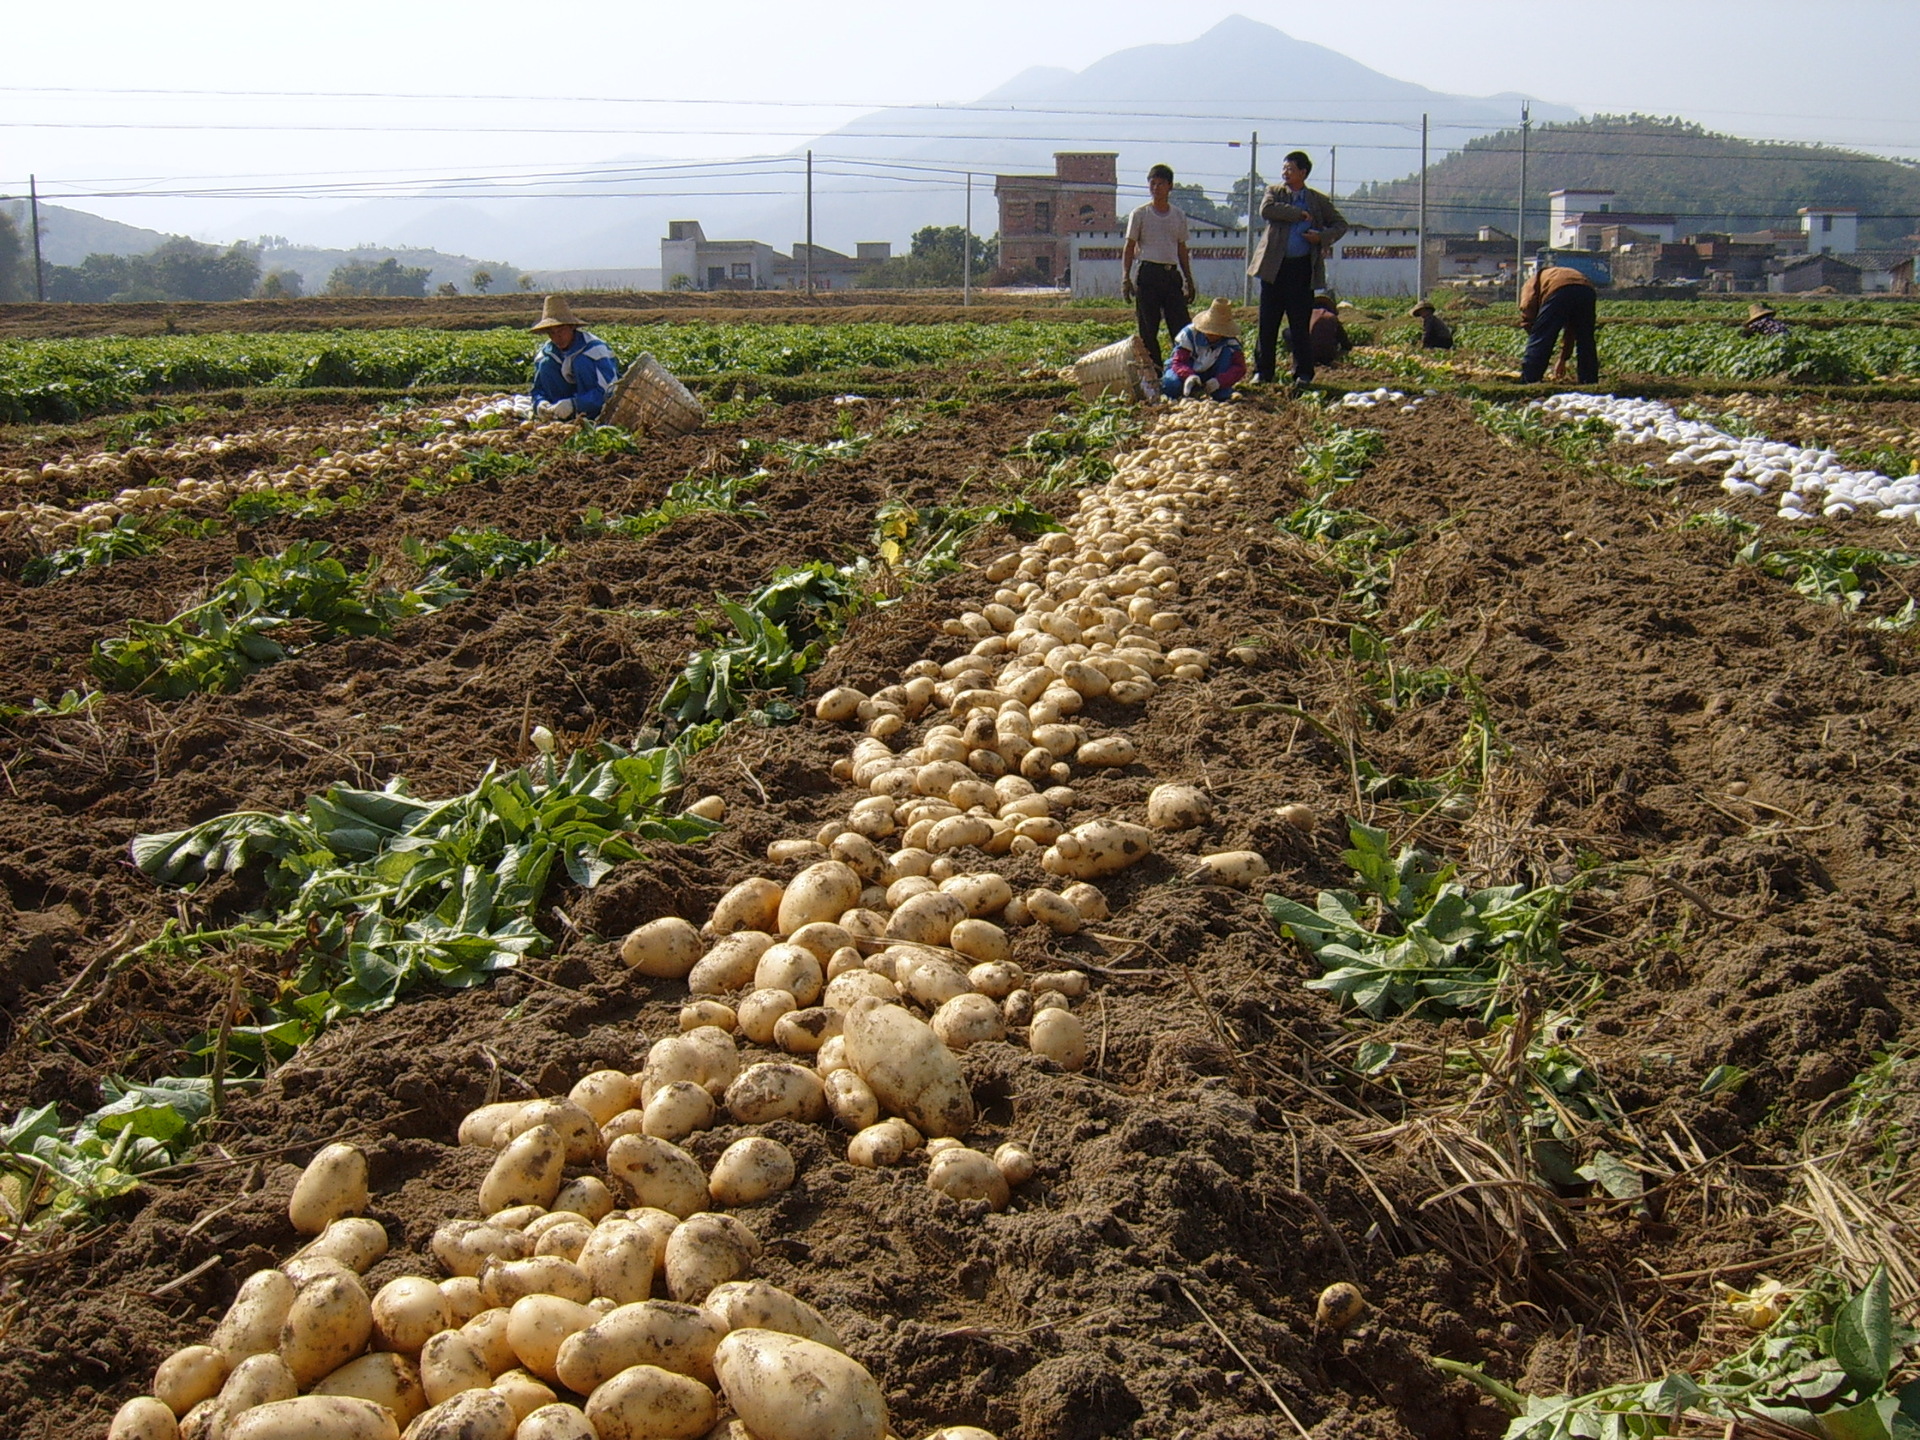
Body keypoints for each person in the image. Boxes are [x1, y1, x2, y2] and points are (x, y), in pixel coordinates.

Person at [1247, 150, 1348, 386]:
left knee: (1300, 323)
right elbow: (1267, 211)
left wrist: (1322, 237)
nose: (1285, 173)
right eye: (1284, 169)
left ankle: (1303, 372)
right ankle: (1263, 372)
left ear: (1303, 172)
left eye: (1290, 169)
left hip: (1302, 268)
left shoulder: (1317, 200)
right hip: (1274, 267)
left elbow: (1341, 224)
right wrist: (1297, 214)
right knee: (1268, 322)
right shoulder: (1274, 193)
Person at [1121, 163, 1197, 373]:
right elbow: (1129, 247)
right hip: (1148, 274)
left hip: (1171, 275)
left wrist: (1189, 279)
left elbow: (1182, 248)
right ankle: (1154, 372)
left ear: (1170, 186)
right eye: (1152, 183)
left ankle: (1182, 370)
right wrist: (1125, 278)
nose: (1155, 187)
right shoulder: (1140, 214)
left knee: (1181, 328)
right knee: (1148, 330)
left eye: (1160, 183)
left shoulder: (1178, 216)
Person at [529, 295, 619, 420]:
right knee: (546, 364)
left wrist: (576, 404)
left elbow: (609, 391)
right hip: (562, 405)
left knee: (581, 362)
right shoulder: (545, 354)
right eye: (551, 333)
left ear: (572, 327)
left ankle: (590, 417)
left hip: (596, 409)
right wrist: (540, 403)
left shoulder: (595, 350)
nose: (557, 337)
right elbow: (537, 390)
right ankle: (558, 416)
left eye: (561, 330)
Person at [1518, 263, 1599, 384]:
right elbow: (1571, 330)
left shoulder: (1530, 283)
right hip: (1586, 290)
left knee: (1543, 336)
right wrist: (1562, 358)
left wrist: (1533, 332)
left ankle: (1530, 378)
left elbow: (1527, 307)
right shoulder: (1550, 276)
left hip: (1559, 290)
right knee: (1586, 338)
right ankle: (1589, 379)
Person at [1161, 298, 1247, 402]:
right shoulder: (1189, 334)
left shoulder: (1231, 342)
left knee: (1221, 394)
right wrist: (1189, 376)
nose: (1213, 335)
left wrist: (1219, 381)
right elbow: (1178, 361)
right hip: (1185, 369)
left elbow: (1239, 367)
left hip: (1211, 374)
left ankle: (1217, 391)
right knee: (1172, 385)